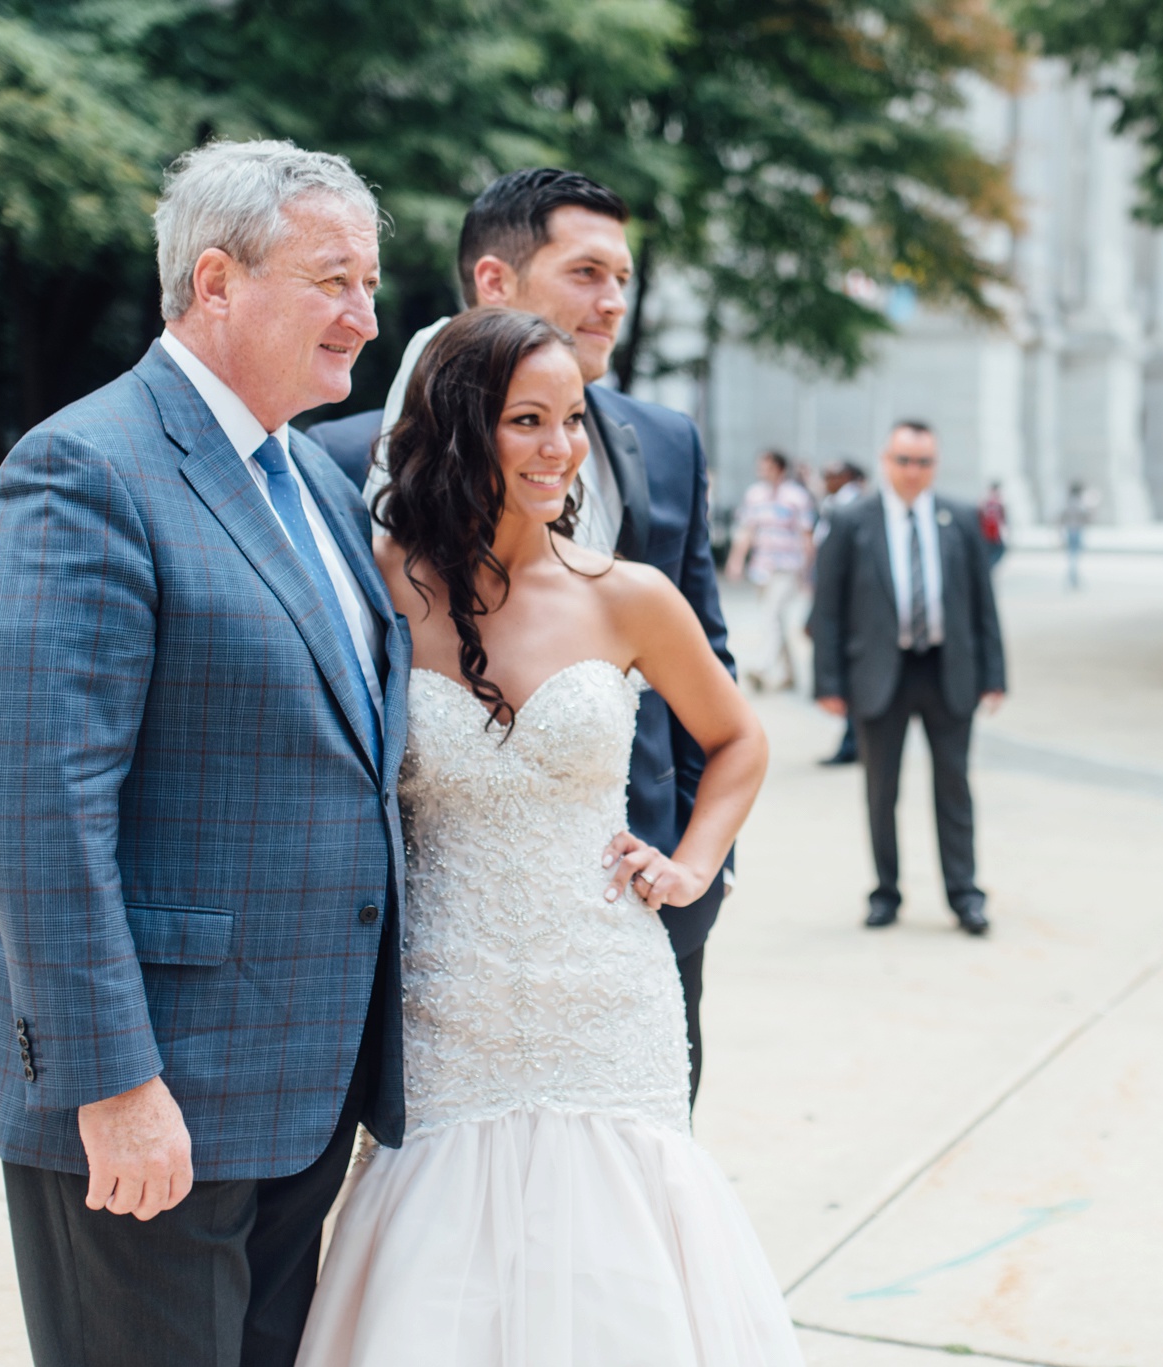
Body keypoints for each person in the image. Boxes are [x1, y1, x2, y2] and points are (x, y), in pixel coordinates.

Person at [0, 140, 409, 1367]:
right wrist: (110, 1085)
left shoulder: (306, 471)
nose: (365, 315)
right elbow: (38, 809)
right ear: (216, 282)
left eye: (369, 282)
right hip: (151, 1093)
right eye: (334, 280)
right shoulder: (82, 470)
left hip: (295, 1087)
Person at [296, 307, 794, 1365]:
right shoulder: (381, 580)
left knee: (619, 1269)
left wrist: (690, 863)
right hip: (445, 1000)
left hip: (607, 992)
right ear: (460, 426)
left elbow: (738, 740)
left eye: (569, 419)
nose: (559, 446)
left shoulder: (628, 597)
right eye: (526, 419)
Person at [364, 168, 734, 1103]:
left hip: (622, 941)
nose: (612, 300)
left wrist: (695, 869)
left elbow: (721, 694)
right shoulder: (358, 527)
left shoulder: (664, 455)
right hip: (439, 983)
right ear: (496, 281)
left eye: (623, 277)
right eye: (586, 273)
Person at [810, 420, 1007, 936]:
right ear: (885, 460)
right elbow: (827, 608)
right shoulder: (852, 520)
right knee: (881, 791)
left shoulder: (961, 518)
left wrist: (995, 673)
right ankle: (885, 892)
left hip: (948, 671)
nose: (913, 471)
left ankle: (965, 895)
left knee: (955, 788)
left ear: (934, 465)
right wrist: (828, 683)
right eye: (904, 460)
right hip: (880, 675)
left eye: (923, 461)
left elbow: (983, 603)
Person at [726, 448, 816, 691]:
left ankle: (763, 668)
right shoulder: (755, 495)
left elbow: (807, 536)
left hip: (787, 568)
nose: (761, 471)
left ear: (779, 468)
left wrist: (809, 574)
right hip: (762, 568)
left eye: (766, 466)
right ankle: (790, 673)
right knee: (776, 619)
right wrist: (736, 560)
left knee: (770, 617)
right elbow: (746, 530)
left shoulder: (796, 497)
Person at [816, 461, 868, 766]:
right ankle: (852, 739)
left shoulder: (853, 509)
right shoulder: (834, 505)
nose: (828, 480)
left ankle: (854, 741)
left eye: (833, 475)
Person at [1057, 480, 1093, 589]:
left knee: (1072, 556)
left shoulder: (1068, 503)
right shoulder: (1079, 503)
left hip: (1070, 530)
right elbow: (1086, 518)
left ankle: (1072, 578)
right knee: (1074, 556)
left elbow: (1061, 518)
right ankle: (1073, 579)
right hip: (1076, 531)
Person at [978, 479, 1009, 570]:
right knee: (998, 551)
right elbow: (1003, 518)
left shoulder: (985, 502)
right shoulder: (998, 502)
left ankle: (988, 566)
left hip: (988, 534)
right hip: (993, 535)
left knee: (992, 553)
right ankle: (989, 566)